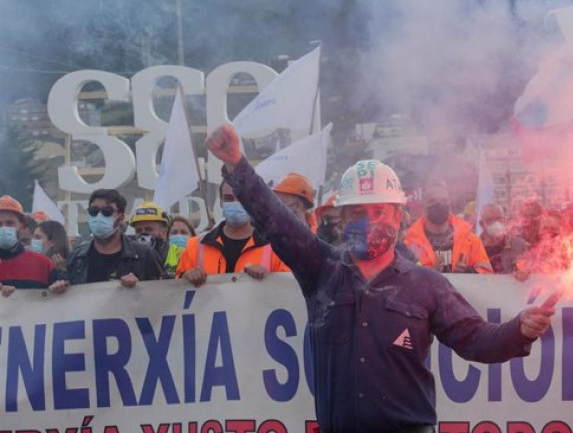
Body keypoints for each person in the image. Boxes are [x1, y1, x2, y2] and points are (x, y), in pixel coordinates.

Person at [203, 124, 554, 433]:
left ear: (398, 214)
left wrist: (518, 329)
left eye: (379, 211)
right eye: (358, 212)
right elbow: (277, 220)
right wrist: (237, 162)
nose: (369, 221)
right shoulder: (321, 269)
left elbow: (476, 339)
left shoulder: (426, 284)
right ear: (340, 217)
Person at [176, 179, 289, 281]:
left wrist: (269, 278)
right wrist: (186, 277)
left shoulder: (276, 248)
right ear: (220, 201)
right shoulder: (195, 246)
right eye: (228, 198)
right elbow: (174, 294)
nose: (235, 203)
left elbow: (289, 290)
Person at [67, 189, 165, 286]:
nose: (99, 216)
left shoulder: (145, 255)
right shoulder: (77, 258)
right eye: (94, 211)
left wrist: (139, 287)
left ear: (120, 217)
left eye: (107, 211)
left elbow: (164, 293)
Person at [405, 181, 493, 273]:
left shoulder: (470, 240)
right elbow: (404, 280)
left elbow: (487, 276)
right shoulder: (410, 244)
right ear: (423, 206)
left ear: (449, 204)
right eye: (433, 201)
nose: (439, 205)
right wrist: (429, 275)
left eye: (444, 201)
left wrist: (469, 273)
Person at [0, 195, 69, 296]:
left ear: (22, 226)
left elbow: (64, 300)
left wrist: (62, 283)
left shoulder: (43, 263)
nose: (3, 228)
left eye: (9, 223)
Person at [478, 203, 528, 274]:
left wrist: (523, 272)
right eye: (489, 220)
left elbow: (526, 270)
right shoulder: (474, 247)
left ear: (505, 220)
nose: (495, 223)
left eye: (499, 219)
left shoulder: (518, 245)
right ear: (481, 224)